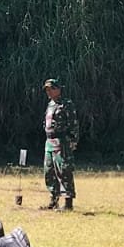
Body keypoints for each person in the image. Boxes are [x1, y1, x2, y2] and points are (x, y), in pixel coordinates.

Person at [40, 79, 78, 210]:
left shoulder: (66, 104)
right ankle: (53, 199)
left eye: (51, 89)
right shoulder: (50, 105)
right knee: (49, 171)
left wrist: (72, 141)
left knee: (64, 171)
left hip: (62, 142)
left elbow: (73, 124)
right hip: (49, 141)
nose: (48, 92)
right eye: (47, 89)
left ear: (58, 89)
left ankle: (68, 202)